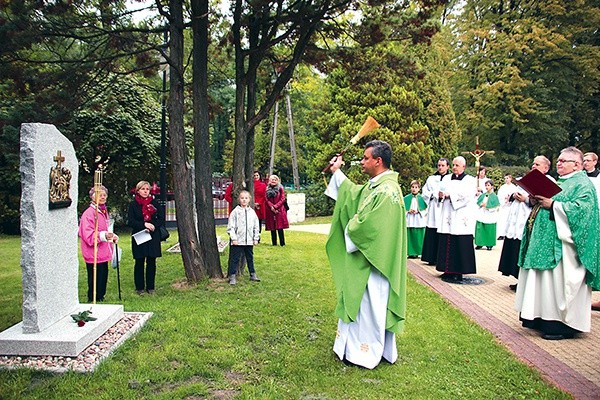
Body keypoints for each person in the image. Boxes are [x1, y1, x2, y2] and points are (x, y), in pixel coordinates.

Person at [325, 140, 407, 369]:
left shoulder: (388, 191)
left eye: (365, 158)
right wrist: (337, 172)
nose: (362, 162)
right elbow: (353, 194)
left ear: (378, 161)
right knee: (361, 304)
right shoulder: (376, 187)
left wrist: (350, 227)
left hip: (375, 263)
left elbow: (370, 228)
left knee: (371, 307)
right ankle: (351, 347)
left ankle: (365, 352)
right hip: (367, 259)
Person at [515, 147, 600, 340]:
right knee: (544, 283)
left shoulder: (582, 184)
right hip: (545, 242)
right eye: (559, 160)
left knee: (556, 285)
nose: (559, 163)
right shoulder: (561, 181)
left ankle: (560, 325)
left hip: (564, 249)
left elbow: (584, 211)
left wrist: (553, 205)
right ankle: (539, 319)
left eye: (563, 161)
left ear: (577, 165)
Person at [498, 156, 552, 291]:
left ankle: (526, 283)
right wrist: (514, 196)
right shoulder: (527, 180)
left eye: (537, 164)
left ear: (546, 168)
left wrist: (526, 199)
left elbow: (543, 201)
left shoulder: (549, 181)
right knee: (515, 251)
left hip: (531, 223)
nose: (533, 166)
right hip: (517, 223)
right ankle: (519, 280)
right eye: (533, 164)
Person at [436, 156, 478, 283]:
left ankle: (458, 272)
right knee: (447, 240)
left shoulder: (469, 180)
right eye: (453, 165)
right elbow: (441, 191)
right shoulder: (447, 178)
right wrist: (441, 195)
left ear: (464, 167)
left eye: (457, 165)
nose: (454, 167)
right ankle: (447, 270)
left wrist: (451, 196)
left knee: (459, 242)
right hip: (448, 214)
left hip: (461, 216)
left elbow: (468, 196)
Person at [78, 185, 118, 303]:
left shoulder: (103, 211)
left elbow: (105, 228)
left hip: (103, 251)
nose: (102, 197)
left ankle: (101, 297)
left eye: (104, 195)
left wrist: (111, 236)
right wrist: (103, 235)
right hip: (93, 252)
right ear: (92, 197)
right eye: (99, 195)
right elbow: (87, 234)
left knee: (103, 276)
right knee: (95, 278)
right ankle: (93, 298)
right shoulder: (89, 213)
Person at [127, 180, 164, 295]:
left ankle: (151, 287)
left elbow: (161, 218)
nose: (145, 191)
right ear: (138, 191)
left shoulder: (155, 203)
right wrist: (144, 224)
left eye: (147, 189)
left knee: (151, 261)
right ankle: (139, 288)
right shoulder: (133, 205)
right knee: (139, 261)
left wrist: (153, 225)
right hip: (140, 234)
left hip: (152, 235)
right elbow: (131, 221)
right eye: (143, 189)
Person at [420, 158, 451, 265]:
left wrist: (445, 195)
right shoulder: (431, 178)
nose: (440, 167)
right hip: (434, 207)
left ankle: (441, 258)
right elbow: (424, 192)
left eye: (443, 165)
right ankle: (431, 257)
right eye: (439, 165)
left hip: (445, 207)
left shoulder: (451, 179)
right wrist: (434, 194)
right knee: (432, 231)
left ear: (448, 166)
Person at [227, 190, 261, 285]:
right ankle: (232, 276)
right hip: (237, 241)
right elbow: (231, 227)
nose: (244, 200)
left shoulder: (252, 213)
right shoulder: (235, 212)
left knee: (250, 258)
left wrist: (255, 238)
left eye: (246, 198)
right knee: (235, 259)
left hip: (249, 241)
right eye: (242, 198)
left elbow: (256, 226)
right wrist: (234, 238)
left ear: (249, 200)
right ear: (239, 199)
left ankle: (252, 274)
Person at [474, 179, 500, 250]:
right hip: (482, 214)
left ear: (492, 186)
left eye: (488, 185)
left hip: (490, 215)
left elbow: (496, 206)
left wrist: (488, 207)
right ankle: (480, 243)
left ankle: (489, 244)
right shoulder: (483, 195)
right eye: (486, 185)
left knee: (489, 229)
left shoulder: (494, 196)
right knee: (480, 228)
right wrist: (481, 205)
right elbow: (478, 202)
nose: (486, 187)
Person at [404, 180, 427, 258]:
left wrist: (418, 211)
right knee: (410, 235)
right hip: (410, 218)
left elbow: (426, 209)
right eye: (412, 187)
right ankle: (410, 252)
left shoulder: (423, 198)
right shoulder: (406, 198)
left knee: (418, 235)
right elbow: (403, 208)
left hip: (418, 219)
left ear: (419, 189)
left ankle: (419, 252)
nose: (414, 189)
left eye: (416, 187)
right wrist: (408, 211)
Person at [265, 174, 289, 246]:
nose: (273, 181)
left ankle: (282, 243)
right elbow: (266, 199)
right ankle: (274, 243)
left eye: (275, 180)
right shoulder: (267, 189)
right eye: (272, 179)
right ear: (269, 181)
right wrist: (271, 207)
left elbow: (282, 199)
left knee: (280, 227)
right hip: (270, 210)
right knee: (272, 227)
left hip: (279, 210)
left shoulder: (280, 188)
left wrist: (275, 207)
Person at [496, 174, 517, 240]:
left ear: (510, 178)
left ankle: (507, 234)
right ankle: (501, 234)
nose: (506, 180)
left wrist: (510, 199)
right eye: (505, 178)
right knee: (502, 220)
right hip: (504, 206)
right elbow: (499, 196)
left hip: (510, 207)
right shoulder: (502, 187)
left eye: (507, 178)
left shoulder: (514, 187)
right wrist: (504, 201)